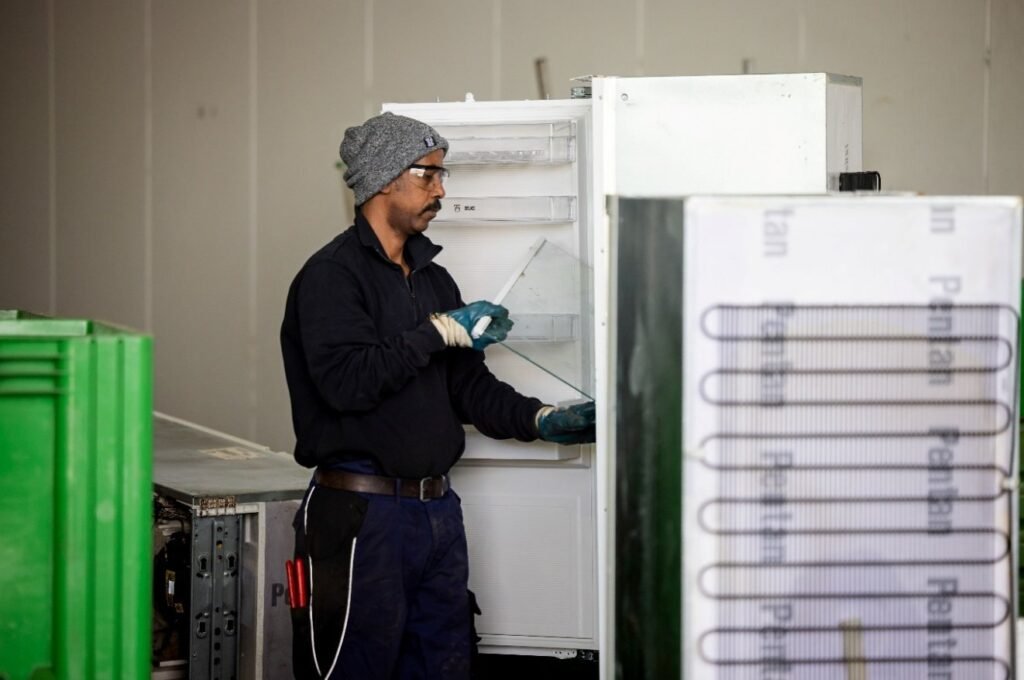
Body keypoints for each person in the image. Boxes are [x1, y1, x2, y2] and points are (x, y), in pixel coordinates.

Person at [279, 111, 596, 680]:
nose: (441, 190)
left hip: (436, 516)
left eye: (442, 175)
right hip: (362, 517)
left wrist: (542, 418)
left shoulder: (432, 279)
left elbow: (467, 387)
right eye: (428, 174)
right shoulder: (332, 277)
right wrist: (436, 333)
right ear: (383, 179)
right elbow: (346, 383)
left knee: (444, 666)